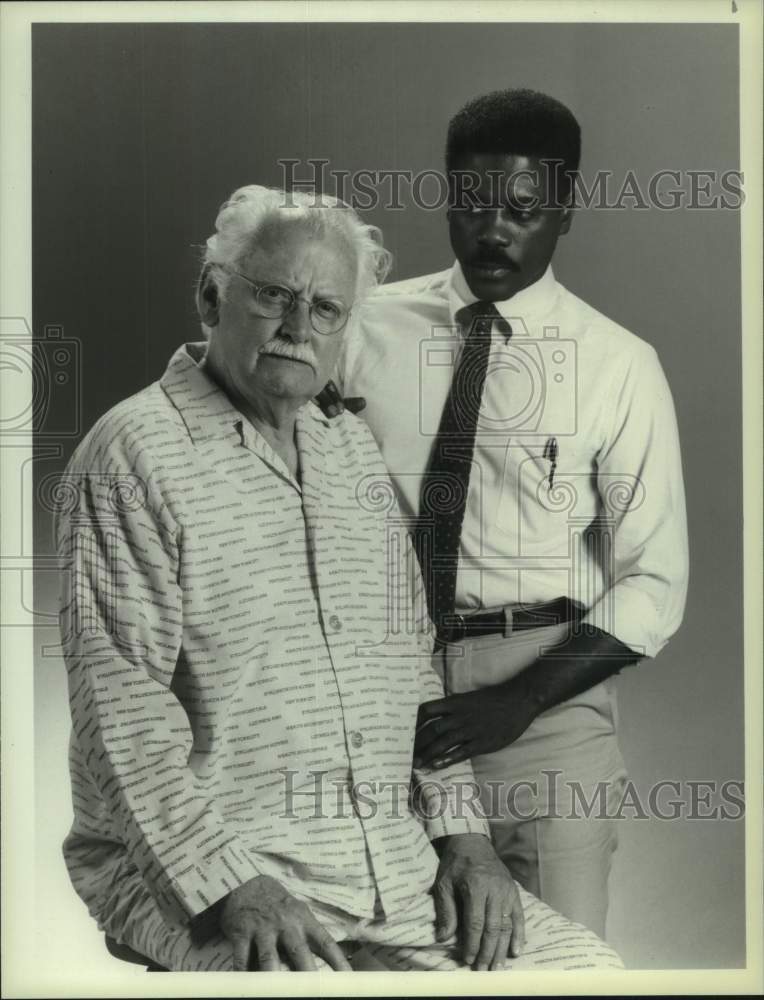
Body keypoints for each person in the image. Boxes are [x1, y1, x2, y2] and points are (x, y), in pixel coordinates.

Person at [55, 184, 624, 973]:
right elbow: (123, 712)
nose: (298, 327)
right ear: (212, 296)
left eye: (326, 308)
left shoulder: (349, 451)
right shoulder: (133, 454)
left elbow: (410, 667)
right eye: (274, 296)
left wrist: (464, 836)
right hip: (211, 873)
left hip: (389, 863)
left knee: (589, 975)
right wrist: (231, 886)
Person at [335, 89, 689, 938]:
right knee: (387, 952)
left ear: (565, 210)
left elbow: (655, 581)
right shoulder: (361, 329)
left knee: (554, 960)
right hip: (382, 692)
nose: (493, 231)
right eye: (472, 204)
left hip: (545, 706)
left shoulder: (619, 365)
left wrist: (518, 701)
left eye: (523, 211)